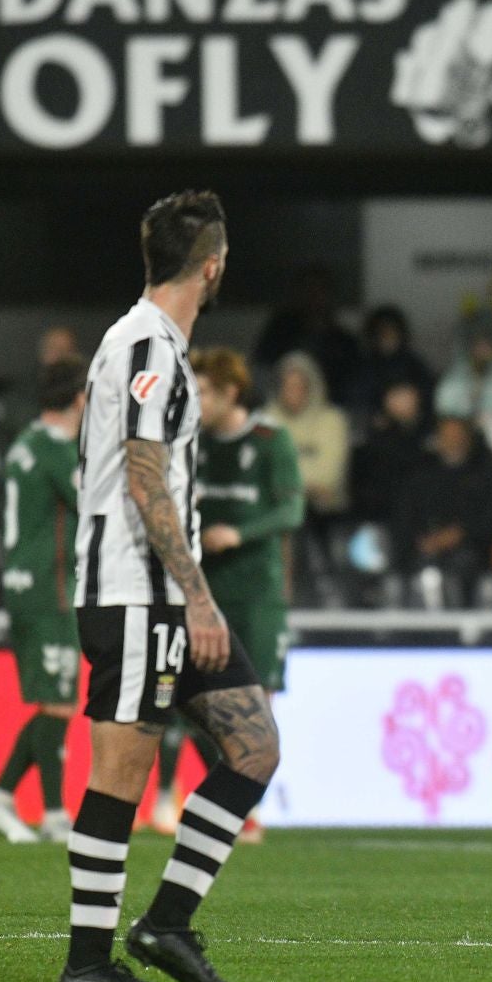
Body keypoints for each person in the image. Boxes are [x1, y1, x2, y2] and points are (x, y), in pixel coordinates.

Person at [62, 189, 282, 982]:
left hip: (157, 595)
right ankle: (87, 962)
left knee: (254, 746)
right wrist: (197, 596)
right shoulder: (149, 344)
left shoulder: (147, 343)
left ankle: (168, 924)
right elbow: (145, 476)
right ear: (214, 266)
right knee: (121, 771)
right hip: (136, 593)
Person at [152, 348, 304, 842]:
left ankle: (245, 812)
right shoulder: (192, 444)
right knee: (197, 701)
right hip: (206, 595)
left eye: (204, 392)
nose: (195, 402)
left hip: (259, 595)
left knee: (256, 707)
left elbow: (292, 511)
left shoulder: (270, 441)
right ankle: (205, 805)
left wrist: (240, 534)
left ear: (230, 392)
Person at [0, 356, 87, 845]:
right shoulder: (57, 450)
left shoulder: (25, 443)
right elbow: (94, 505)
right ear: (81, 398)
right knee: (58, 703)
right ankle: (33, 806)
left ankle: (21, 804)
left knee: (53, 702)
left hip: (27, 582)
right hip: (51, 585)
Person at [391, 416, 492, 601]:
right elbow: (405, 516)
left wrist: (460, 534)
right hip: (424, 547)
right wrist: (423, 540)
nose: (453, 441)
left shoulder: (485, 476)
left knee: (464, 564)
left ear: (468, 439)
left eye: (458, 435)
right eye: (447, 436)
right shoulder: (420, 477)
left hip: (470, 549)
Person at [252, 265, 363, 412]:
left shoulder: (344, 341)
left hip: (327, 410)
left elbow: (352, 385)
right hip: (281, 406)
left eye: (321, 290)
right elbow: (261, 368)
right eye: (309, 289)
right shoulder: (280, 330)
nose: (315, 296)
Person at [267, 351, 349, 520]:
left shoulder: (331, 420)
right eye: (287, 386)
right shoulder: (266, 419)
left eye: (299, 386)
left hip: (325, 515)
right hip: (272, 510)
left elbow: (328, 477)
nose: (293, 393)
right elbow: (259, 470)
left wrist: (283, 482)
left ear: (311, 387)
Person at [436, 318, 492, 452]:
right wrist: (469, 405)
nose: (482, 350)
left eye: (487, 345)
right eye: (478, 344)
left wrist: (488, 415)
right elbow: (444, 405)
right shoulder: (457, 372)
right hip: (462, 427)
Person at [352, 380, 432, 523]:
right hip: (383, 513)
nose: (401, 401)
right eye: (395, 395)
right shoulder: (378, 437)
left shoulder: (432, 430)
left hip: (424, 513)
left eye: (406, 394)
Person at [357, 305, 435, 413]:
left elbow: (428, 392)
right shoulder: (365, 365)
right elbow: (358, 399)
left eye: (392, 332)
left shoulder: (412, 362)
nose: (388, 337)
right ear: (374, 336)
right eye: (383, 333)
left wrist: (411, 397)